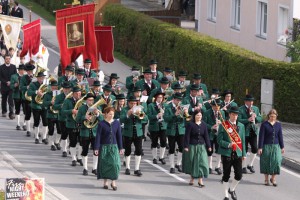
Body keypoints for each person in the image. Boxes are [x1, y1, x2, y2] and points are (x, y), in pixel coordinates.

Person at [217, 106, 246, 200]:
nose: (234, 116)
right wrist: (229, 144)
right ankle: (226, 195)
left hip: (237, 153)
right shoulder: (223, 125)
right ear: (229, 114)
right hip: (226, 153)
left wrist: (244, 154)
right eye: (233, 114)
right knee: (226, 174)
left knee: (239, 175)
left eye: (236, 115)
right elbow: (219, 140)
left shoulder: (241, 126)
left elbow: (243, 141)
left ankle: (232, 189)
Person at [94, 106, 124, 190]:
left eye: (113, 114)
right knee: (105, 164)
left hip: (114, 147)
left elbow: (119, 136)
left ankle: (113, 181)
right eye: (110, 114)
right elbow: (98, 136)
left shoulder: (116, 123)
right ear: (106, 114)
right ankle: (105, 182)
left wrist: (121, 147)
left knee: (115, 164)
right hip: (104, 147)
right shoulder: (101, 124)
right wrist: (96, 148)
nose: (112, 115)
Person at [120, 95, 148, 176]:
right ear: (128, 103)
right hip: (128, 132)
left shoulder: (139, 109)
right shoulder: (124, 110)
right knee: (128, 151)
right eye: (132, 103)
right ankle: (127, 168)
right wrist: (127, 115)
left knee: (138, 150)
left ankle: (137, 168)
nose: (133, 105)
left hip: (138, 132)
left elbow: (146, 119)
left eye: (135, 103)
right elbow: (121, 120)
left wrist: (140, 115)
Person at [76, 93, 103, 176]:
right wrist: (84, 117)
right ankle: (85, 168)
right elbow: (77, 119)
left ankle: (94, 168)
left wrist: (98, 114)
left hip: (95, 133)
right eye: (89, 100)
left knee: (96, 151)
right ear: (86, 100)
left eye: (92, 100)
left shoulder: (97, 107)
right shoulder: (82, 108)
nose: (91, 101)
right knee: (85, 151)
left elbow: (102, 120)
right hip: (85, 132)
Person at [183, 109, 211, 187]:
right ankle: (192, 178)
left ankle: (200, 180)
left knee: (202, 163)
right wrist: (186, 146)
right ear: (194, 116)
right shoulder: (190, 125)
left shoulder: (204, 125)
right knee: (193, 163)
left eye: (200, 115)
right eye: (197, 115)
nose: (199, 117)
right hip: (192, 146)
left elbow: (206, 136)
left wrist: (209, 146)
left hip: (201, 147)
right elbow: (187, 136)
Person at [258, 109, 284, 187]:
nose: (273, 118)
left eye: (274, 116)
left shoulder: (278, 125)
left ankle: (273, 178)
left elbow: (280, 136)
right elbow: (261, 137)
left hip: (276, 146)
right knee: (266, 162)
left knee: (276, 161)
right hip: (266, 146)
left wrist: (282, 147)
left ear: (276, 116)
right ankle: (266, 179)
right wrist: (260, 147)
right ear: (269, 116)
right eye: (271, 116)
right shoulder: (264, 124)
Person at [238, 94, 262, 174]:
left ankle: (250, 164)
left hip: (253, 130)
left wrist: (255, 117)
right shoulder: (241, 109)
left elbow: (260, 118)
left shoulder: (256, 108)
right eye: (249, 101)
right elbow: (238, 120)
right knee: (244, 149)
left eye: (252, 101)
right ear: (245, 101)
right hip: (244, 131)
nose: (251, 103)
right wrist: (248, 120)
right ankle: (243, 166)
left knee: (255, 148)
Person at [163, 92, 186, 173]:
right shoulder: (168, 107)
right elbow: (165, 118)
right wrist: (174, 114)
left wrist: (185, 113)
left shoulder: (182, 107)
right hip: (171, 130)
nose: (179, 101)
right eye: (177, 100)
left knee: (181, 147)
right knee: (172, 148)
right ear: (173, 99)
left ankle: (178, 164)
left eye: (180, 100)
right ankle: (172, 166)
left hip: (181, 130)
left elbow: (185, 118)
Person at [61, 86, 83, 166]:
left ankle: (79, 157)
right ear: (73, 94)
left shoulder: (82, 102)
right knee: (73, 142)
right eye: (77, 94)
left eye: (79, 93)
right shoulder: (68, 101)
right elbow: (63, 112)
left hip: (80, 124)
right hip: (71, 124)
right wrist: (72, 111)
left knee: (81, 142)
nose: (78, 95)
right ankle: (73, 158)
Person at [204, 98, 225, 175]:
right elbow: (204, 123)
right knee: (209, 150)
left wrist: (221, 123)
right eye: (215, 106)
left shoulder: (222, 112)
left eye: (218, 106)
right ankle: (209, 167)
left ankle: (217, 166)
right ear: (212, 106)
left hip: (219, 134)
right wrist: (211, 127)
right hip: (210, 134)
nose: (217, 108)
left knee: (219, 150)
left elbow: (225, 123)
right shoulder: (207, 112)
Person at [27, 72, 48, 144]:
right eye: (40, 77)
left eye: (42, 78)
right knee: (36, 122)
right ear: (37, 78)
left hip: (44, 106)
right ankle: (36, 137)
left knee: (45, 122)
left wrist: (44, 94)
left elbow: (49, 93)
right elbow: (29, 93)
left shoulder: (46, 85)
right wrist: (36, 92)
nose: (41, 79)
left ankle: (44, 137)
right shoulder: (33, 84)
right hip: (36, 105)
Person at [147, 92, 168, 165]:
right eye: (159, 97)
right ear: (156, 98)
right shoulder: (151, 105)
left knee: (163, 141)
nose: (160, 99)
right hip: (154, 126)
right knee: (154, 142)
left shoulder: (165, 105)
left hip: (163, 126)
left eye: (161, 98)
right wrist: (156, 116)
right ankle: (154, 157)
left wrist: (164, 113)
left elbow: (168, 115)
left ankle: (161, 157)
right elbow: (149, 116)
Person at [53, 81, 73, 153]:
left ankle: (71, 148)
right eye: (65, 88)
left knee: (71, 135)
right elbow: (54, 106)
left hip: (71, 118)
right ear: (63, 89)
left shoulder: (72, 96)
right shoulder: (59, 96)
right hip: (62, 118)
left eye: (68, 88)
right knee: (64, 134)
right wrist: (61, 105)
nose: (66, 90)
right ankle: (64, 150)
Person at [43, 80, 61, 151]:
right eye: (53, 87)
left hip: (58, 115)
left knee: (60, 130)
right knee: (51, 130)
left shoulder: (59, 95)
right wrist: (51, 102)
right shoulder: (47, 94)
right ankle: (52, 144)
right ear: (51, 87)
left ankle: (56, 142)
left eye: (55, 87)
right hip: (50, 114)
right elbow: (44, 103)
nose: (54, 88)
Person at [20, 62, 35, 136]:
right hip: (26, 98)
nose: (30, 72)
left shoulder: (35, 77)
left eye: (31, 70)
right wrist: (27, 87)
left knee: (36, 114)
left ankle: (36, 129)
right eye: (29, 71)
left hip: (34, 98)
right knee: (28, 113)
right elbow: (21, 87)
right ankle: (28, 130)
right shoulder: (23, 77)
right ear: (27, 71)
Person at [0, 54, 17, 119]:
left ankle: (11, 113)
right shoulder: (1, 67)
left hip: (11, 86)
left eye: (9, 59)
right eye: (6, 59)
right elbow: (0, 77)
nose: (8, 60)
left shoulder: (13, 67)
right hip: (4, 86)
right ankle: (4, 111)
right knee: (4, 100)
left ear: (10, 59)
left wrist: (11, 82)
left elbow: (15, 76)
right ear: (4, 59)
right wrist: (6, 82)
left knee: (11, 99)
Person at [10, 64, 26, 130]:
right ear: (18, 70)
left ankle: (25, 124)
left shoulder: (26, 77)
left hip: (24, 96)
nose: (22, 71)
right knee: (17, 110)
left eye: (23, 70)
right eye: (21, 70)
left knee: (25, 110)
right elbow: (11, 86)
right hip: (17, 95)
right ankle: (18, 124)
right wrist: (15, 85)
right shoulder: (14, 76)